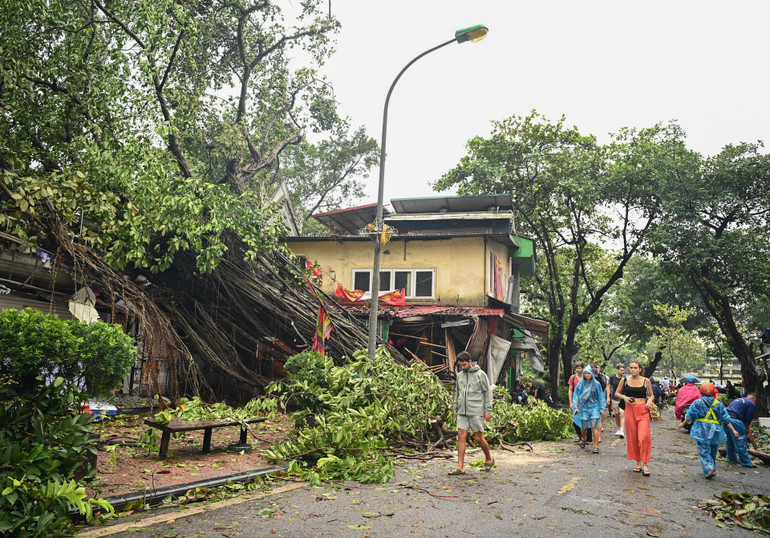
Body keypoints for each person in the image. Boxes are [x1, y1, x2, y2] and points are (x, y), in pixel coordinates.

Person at [678, 382, 739, 479]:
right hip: (716, 430)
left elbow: (690, 415)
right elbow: (726, 418)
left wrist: (682, 424)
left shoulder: (698, 402)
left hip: (701, 429)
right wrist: (734, 430)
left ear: (701, 391)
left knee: (703, 450)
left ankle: (709, 467)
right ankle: (712, 467)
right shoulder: (718, 404)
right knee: (713, 450)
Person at [450, 351, 494, 475]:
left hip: (476, 411)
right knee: (461, 435)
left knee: (478, 438)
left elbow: (487, 393)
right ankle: (460, 467)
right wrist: (455, 409)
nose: (462, 368)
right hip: (462, 411)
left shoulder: (481, 375)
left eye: (464, 365)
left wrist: (488, 410)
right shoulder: (460, 376)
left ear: (470, 362)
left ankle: (489, 459)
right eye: (460, 366)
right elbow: (457, 393)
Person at [615, 359, 655, 476]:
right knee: (633, 437)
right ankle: (638, 463)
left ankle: (645, 463)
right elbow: (617, 393)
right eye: (631, 368)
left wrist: (649, 401)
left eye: (635, 368)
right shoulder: (625, 380)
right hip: (630, 410)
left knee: (643, 437)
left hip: (643, 410)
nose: (633, 370)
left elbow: (652, 395)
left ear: (640, 369)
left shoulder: (646, 381)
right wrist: (624, 397)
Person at [572, 365, 605, 453]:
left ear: (592, 374)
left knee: (594, 427)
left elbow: (600, 396)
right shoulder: (580, 384)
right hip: (583, 408)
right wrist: (575, 407)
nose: (587, 375)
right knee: (584, 427)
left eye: (588, 373)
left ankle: (596, 446)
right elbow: (576, 396)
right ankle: (584, 439)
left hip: (594, 407)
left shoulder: (596, 384)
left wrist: (602, 407)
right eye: (585, 373)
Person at [724, 393, 758, 468]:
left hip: (726, 420)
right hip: (735, 420)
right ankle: (746, 462)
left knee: (729, 441)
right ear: (754, 399)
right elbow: (748, 417)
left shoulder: (738, 400)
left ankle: (731, 459)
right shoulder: (751, 403)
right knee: (740, 442)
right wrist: (747, 428)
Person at [568, 362, 591, 443]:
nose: (578, 370)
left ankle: (587, 436)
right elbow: (570, 390)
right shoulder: (573, 378)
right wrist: (571, 402)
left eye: (580, 368)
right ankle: (578, 435)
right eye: (577, 368)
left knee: (586, 418)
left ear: (583, 368)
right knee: (575, 418)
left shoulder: (586, 377)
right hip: (576, 400)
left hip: (586, 401)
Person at [608, 363, 626, 438]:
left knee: (622, 414)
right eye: (621, 370)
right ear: (617, 370)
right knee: (617, 414)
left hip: (623, 398)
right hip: (614, 398)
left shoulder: (625, 378)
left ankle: (622, 430)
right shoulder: (612, 377)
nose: (622, 372)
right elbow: (609, 386)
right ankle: (618, 428)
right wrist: (608, 397)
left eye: (623, 370)